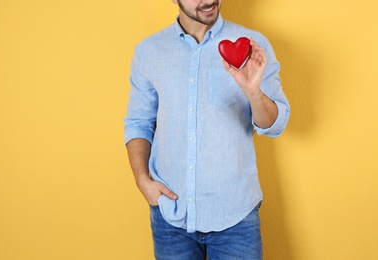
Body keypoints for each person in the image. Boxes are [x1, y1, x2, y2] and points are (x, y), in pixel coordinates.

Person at [124, 0, 290, 259]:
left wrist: (253, 91)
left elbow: (275, 125)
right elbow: (138, 122)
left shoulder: (252, 44)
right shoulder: (149, 51)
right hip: (171, 219)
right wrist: (142, 180)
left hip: (235, 217)